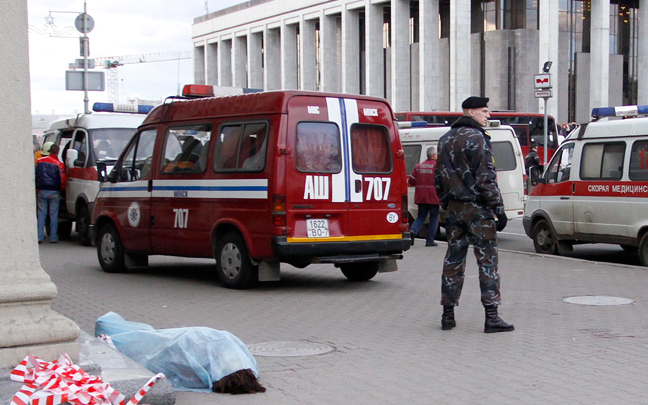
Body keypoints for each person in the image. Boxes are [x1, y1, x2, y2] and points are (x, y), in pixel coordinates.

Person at [434, 96, 514, 334]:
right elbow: (486, 177)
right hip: (478, 210)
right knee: (487, 261)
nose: (487, 115)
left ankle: (447, 315)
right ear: (470, 112)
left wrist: (446, 201)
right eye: (484, 111)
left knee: (453, 260)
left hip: (455, 209)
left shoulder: (444, 139)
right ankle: (492, 316)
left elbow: (437, 177)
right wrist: (498, 207)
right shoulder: (477, 137)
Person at [408, 146, 441, 247]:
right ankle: (430, 241)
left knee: (421, 217)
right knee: (434, 218)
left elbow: (411, 181)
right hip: (433, 197)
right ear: (434, 155)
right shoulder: (437, 167)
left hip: (421, 196)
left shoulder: (418, 167)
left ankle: (413, 231)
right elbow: (442, 181)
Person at [35, 143, 66, 243]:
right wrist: (62, 190)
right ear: (57, 152)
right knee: (53, 215)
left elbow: (35, 175)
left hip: (42, 190)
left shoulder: (39, 161)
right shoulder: (59, 164)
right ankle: (53, 237)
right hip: (54, 192)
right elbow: (62, 180)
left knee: (41, 214)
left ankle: (39, 237)